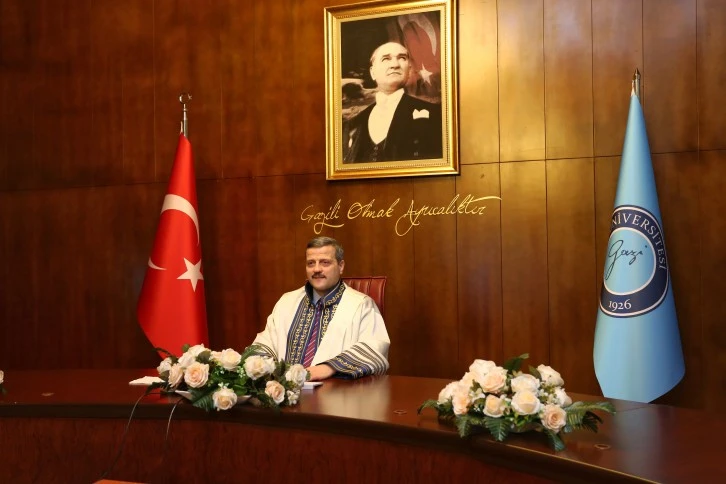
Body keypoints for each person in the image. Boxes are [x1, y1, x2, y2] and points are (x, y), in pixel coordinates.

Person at [253, 237, 390, 381]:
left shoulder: (362, 305)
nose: (317, 269)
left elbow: (375, 350)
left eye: (325, 262)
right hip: (284, 390)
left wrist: (327, 368)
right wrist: (258, 367)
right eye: (311, 263)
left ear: (341, 266)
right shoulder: (286, 302)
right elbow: (265, 343)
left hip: (336, 391)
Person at [343, 41, 443, 163]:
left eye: (402, 58)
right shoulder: (355, 123)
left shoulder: (436, 114)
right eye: (386, 59)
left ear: (409, 71)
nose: (395, 65)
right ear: (373, 72)